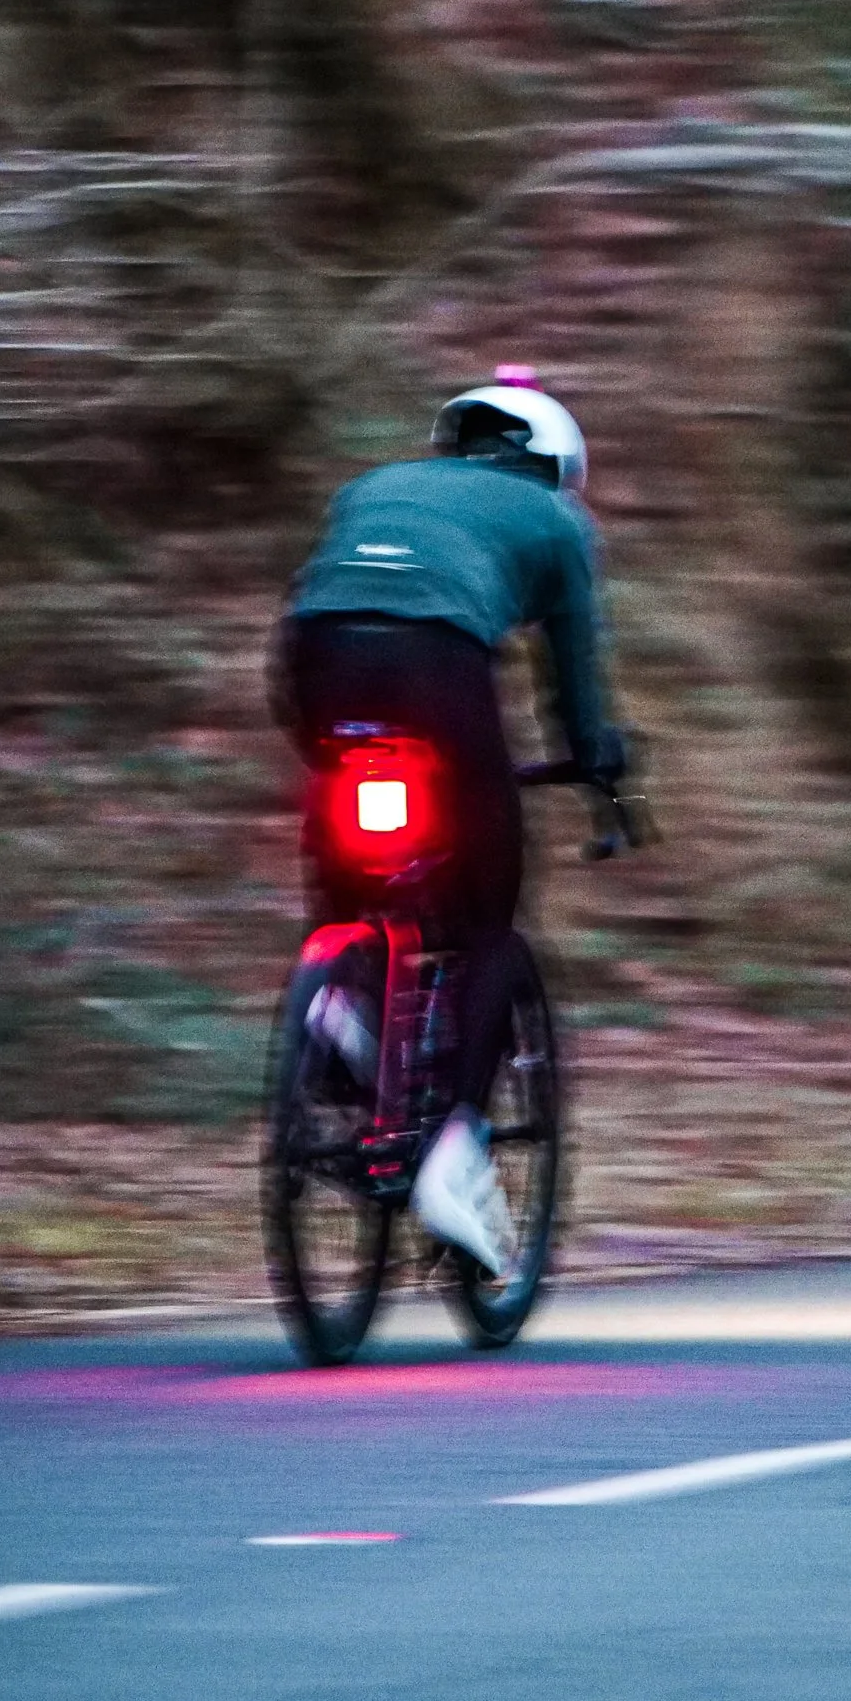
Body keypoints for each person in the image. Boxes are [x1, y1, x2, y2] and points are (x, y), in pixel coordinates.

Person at [275, 369, 626, 1276]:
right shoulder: (556, 521)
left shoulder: (374, 485)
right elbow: (573, 673)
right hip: (436, 669)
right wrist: (598, 765)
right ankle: (453, 1151)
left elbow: (322, 586)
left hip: (316, 658)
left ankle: (338, 1002)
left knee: (348, 831)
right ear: (551, 463)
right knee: (488, 927)